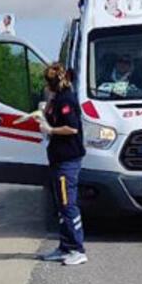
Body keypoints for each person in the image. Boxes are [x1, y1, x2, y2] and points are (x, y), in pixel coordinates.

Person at [37, 64, 87, 265]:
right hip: (57, 159)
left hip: (68, 160)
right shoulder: (56, 99)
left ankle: (77, 248)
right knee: (60, 205)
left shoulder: (67, 100)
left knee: (68, 205)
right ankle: (65, 246)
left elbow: (72, 128)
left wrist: (50, 130)